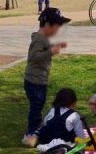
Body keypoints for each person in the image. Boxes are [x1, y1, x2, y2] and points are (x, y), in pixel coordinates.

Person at [23, 8, 70, 146]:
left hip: (39, 81)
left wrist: (55, 46)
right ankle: (31, 132)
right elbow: (34, 56)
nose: (58, 30)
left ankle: (35, 127)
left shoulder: (43, 38)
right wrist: (51, 51)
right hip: (34, 81)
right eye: (57, 26)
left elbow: (43, 51)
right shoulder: (38, 39)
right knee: (36, 106)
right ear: (47, 24)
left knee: (39, 104)